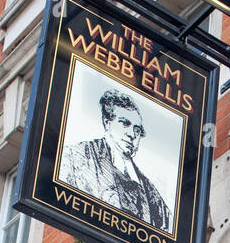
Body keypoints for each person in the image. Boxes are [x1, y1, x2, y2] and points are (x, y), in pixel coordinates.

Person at [59, 89, 172, 232]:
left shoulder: (148, 188)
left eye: (137, 130)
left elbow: (169, 231)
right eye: (124, 123)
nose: (132, 134)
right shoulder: (76, 156)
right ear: (107, 123)